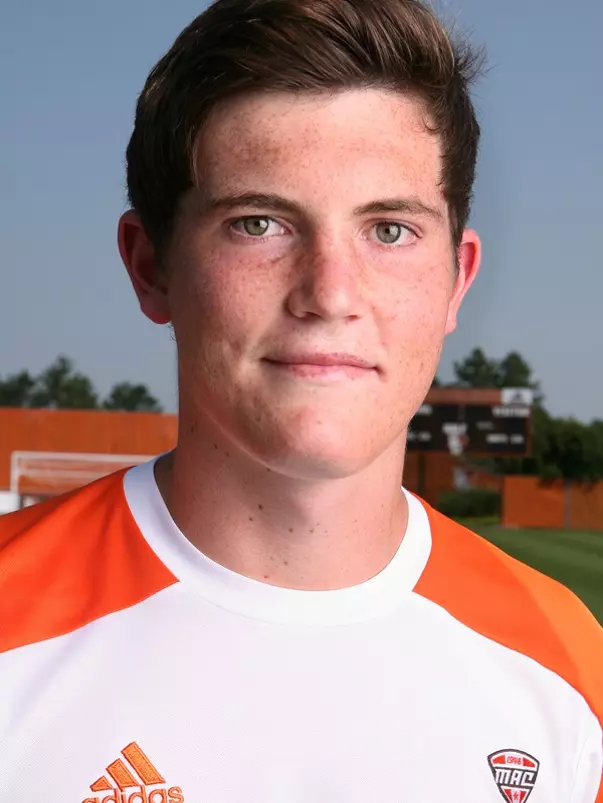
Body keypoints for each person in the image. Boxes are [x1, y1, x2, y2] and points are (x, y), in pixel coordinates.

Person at [1, 0, 602, 800]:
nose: (329, 293)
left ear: (455, 280)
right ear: (151, 267)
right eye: (259, 224)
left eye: (388, 230)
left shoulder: (567, 668)